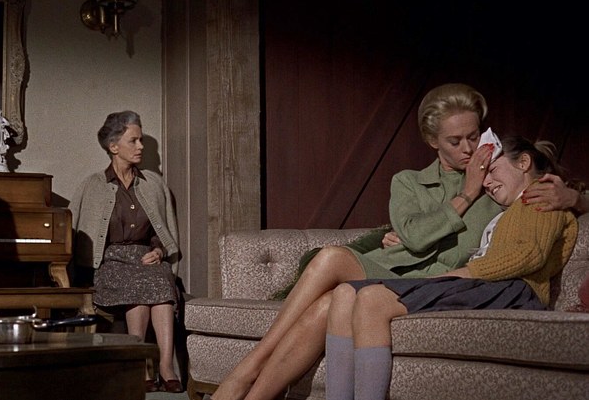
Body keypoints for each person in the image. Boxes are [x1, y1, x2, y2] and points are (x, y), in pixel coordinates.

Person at [211, 83, 583, 400]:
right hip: (398, 268)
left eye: (473, 136)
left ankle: (253, 391)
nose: (469, 149)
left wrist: (575, 198)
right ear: (433, 141)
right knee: (329, 257)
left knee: (329, 303)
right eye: (455, 141)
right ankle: (248, 368)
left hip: (437, 279)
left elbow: (540, 194)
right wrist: (465, 194)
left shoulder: (497, 179)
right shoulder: (410, 181)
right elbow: (415, 238)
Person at [325, 135, 581, 400]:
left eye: (492, 170)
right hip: (487, 284)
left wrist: (460, 274)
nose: (487, 183)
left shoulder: (542, 195)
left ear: (524, 162)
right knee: (344, 293)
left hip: (513, 290)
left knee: (372, 299)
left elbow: (528, 255)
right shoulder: (510, 209)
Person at [69, 110, 183, 393]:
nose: (141, 146)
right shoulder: (93, 185)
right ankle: (142, 365)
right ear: (114, 146)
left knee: (161, 279)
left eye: (141, 140)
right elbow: (79, 236)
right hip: (111, 262)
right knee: (137, 285)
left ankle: (166, 366)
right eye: (134, 141)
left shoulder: (153, 184)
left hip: (147, 258)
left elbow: (161, 230)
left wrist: (159, 251)